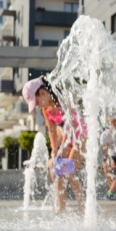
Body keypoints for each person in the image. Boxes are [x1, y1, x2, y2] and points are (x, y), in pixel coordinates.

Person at [22, 76, 85, 214]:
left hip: (80, 137)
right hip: (66, 138)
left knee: (70, 169)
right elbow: (51, 130)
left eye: (37, 102)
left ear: (43, 93)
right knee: (58, 171)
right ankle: (61, 208)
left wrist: (64, 146)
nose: (38, 105)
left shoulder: (63, 101)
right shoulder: (46, 110)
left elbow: (70, 126)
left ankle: (83, 207)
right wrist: (54, 150)